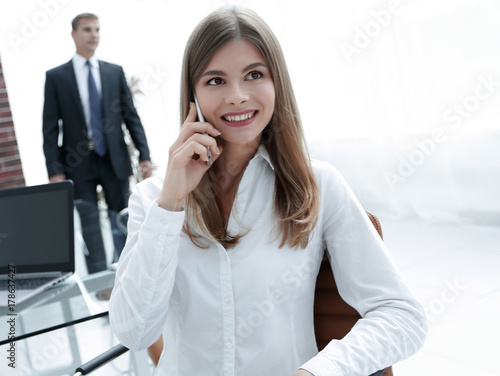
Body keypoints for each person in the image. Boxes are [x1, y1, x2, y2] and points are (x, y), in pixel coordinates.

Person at [109, 7, 427, 376]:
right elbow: (134, 332)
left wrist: (318, 372)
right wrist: (171, 203)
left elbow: (403, 315)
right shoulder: (152, 199)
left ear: (277, 84)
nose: (238, 96)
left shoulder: (318, 185)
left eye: (254, 75)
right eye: (216, 81)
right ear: (192, 95)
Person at [42, 13, 153, 274]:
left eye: (97, 30)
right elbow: (49, 128)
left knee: (124, 220)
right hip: (77, 163)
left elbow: (130, 116)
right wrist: (54, 170)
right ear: (74, 34)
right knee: (90, 225)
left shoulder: (114, 72)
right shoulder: (57, 77)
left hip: (114, 158)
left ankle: (130, 275)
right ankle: (101, 285)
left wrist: (144, 155)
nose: (94, 34)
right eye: (87, 29)